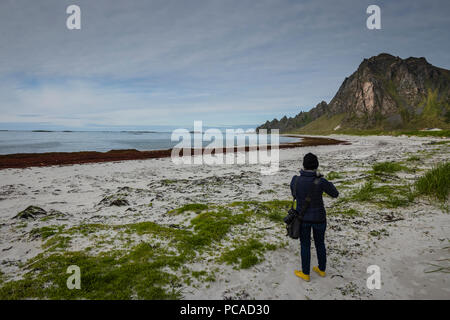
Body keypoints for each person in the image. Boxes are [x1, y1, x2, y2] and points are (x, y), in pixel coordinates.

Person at [290, 152, 339, 282]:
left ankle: (305, 273)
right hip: (319, 218)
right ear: (316, 165)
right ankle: (321, 270)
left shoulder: (295, 180)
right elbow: (335, 194)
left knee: (305, 245)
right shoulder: (321, 181)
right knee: (320, 244)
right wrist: (323, 180)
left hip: (302, 219)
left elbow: (294, 193)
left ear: (303, 165)